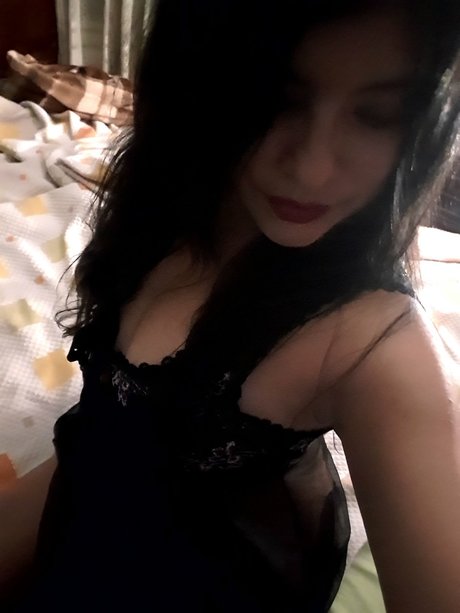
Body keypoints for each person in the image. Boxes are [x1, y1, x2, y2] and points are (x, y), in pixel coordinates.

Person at [3, 0, 460, 611]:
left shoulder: (373, 344)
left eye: (379, 115)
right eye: (273, 100)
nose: (314, 169)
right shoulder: (168, 214)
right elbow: (103, 430)